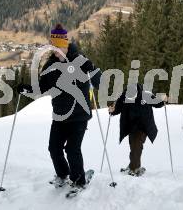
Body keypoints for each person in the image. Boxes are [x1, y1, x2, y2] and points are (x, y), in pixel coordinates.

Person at [18, 24, 102, 189]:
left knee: (72, 149)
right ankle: (63, 174)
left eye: (57, 47)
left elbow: (99, 82)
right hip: (60, 114)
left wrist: (92, 69)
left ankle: (78, 181)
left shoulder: (80, 59)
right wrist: (26, 89)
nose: (54, 51)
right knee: (54, 148)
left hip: (79, 115)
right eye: (52, 47)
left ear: (64, 45)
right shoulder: (50, 65)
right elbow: (41, 88)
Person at [108, 83, 166, 176]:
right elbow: (117, 109)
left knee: (136, 145)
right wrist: (112, 110)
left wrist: (163, 100)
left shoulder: (146, 95)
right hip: (130, 125)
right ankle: (133, 164)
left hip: (144, 125)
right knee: (134, 145)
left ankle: (134, 168)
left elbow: (157, 103)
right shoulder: (124, 97)